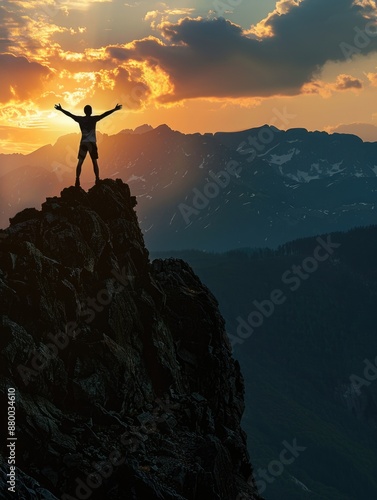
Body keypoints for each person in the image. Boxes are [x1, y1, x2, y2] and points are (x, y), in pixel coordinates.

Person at [54, 103, 122, 187]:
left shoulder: (80, 119)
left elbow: (70, 115)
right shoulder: (94, 119)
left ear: (84, 111)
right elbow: (104, 114)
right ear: (91, 111)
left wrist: (61, 109)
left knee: (80, 162)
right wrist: (114, 109)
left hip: (84, 143)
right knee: (94, 162)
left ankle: (77, 180)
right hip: (92, 143)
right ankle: (97, 179)